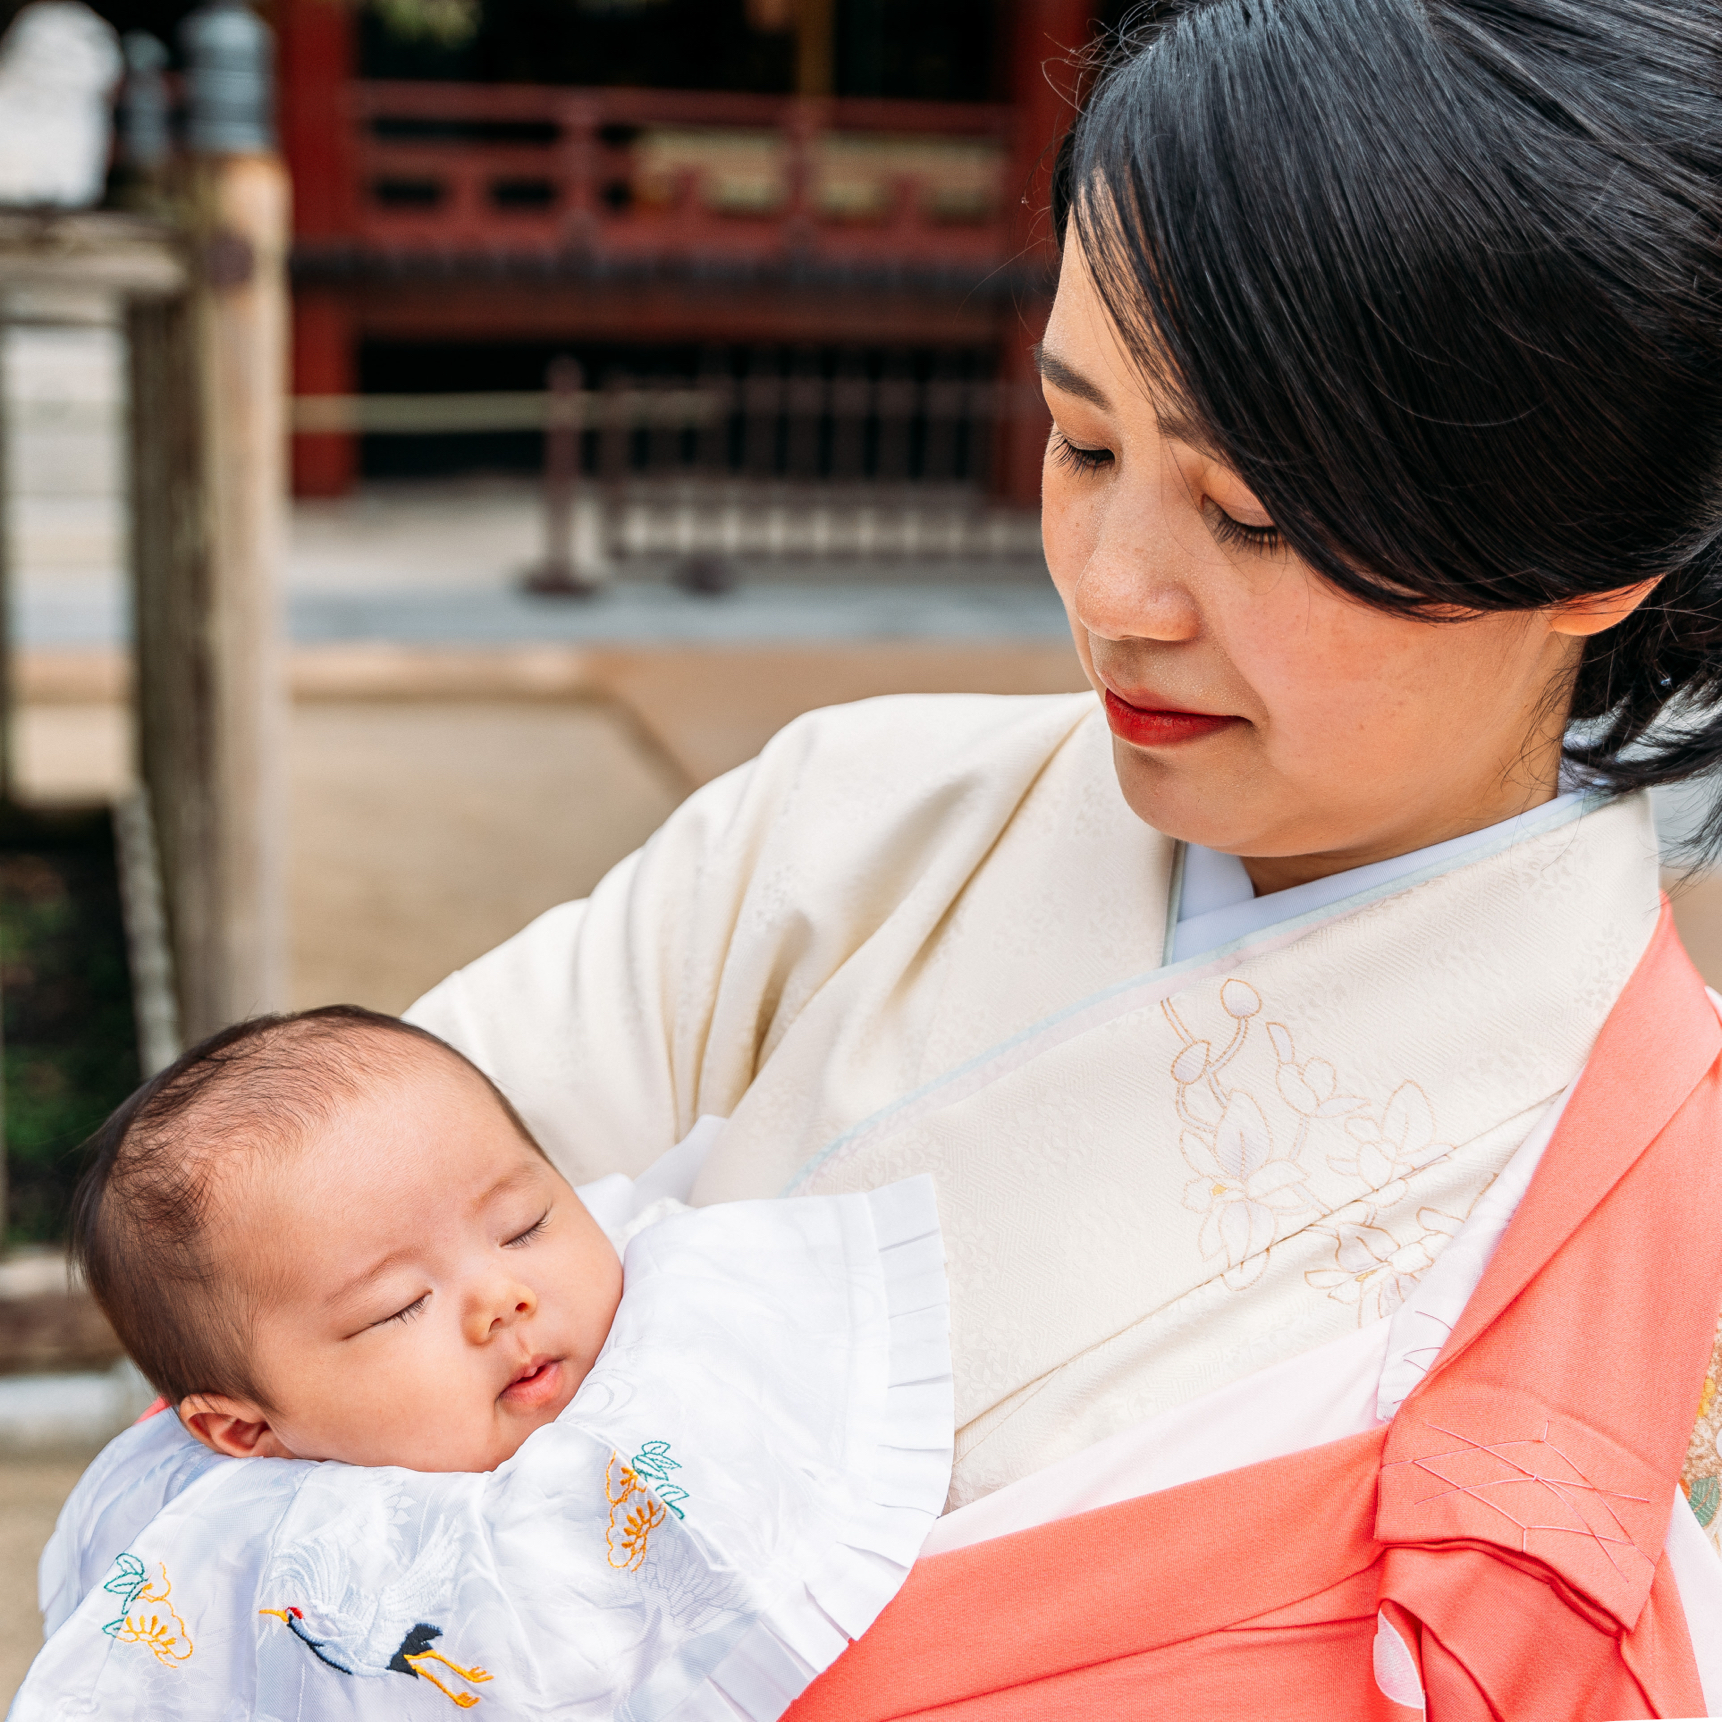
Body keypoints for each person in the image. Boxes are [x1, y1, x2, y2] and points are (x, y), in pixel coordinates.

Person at [399, 0, 1722, 1713]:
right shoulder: (842, 828)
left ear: (1589, 560)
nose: (1110, 589)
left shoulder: (1627, 1198)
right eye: (1081, 440)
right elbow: (291, 1283)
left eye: (1253, 517)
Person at [17, 1007, 950, 1719]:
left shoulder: (676, 1301)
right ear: (246, 1428)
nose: (501, 1296)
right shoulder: (239, 1545)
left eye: (523, 1225)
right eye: (401, 1306)